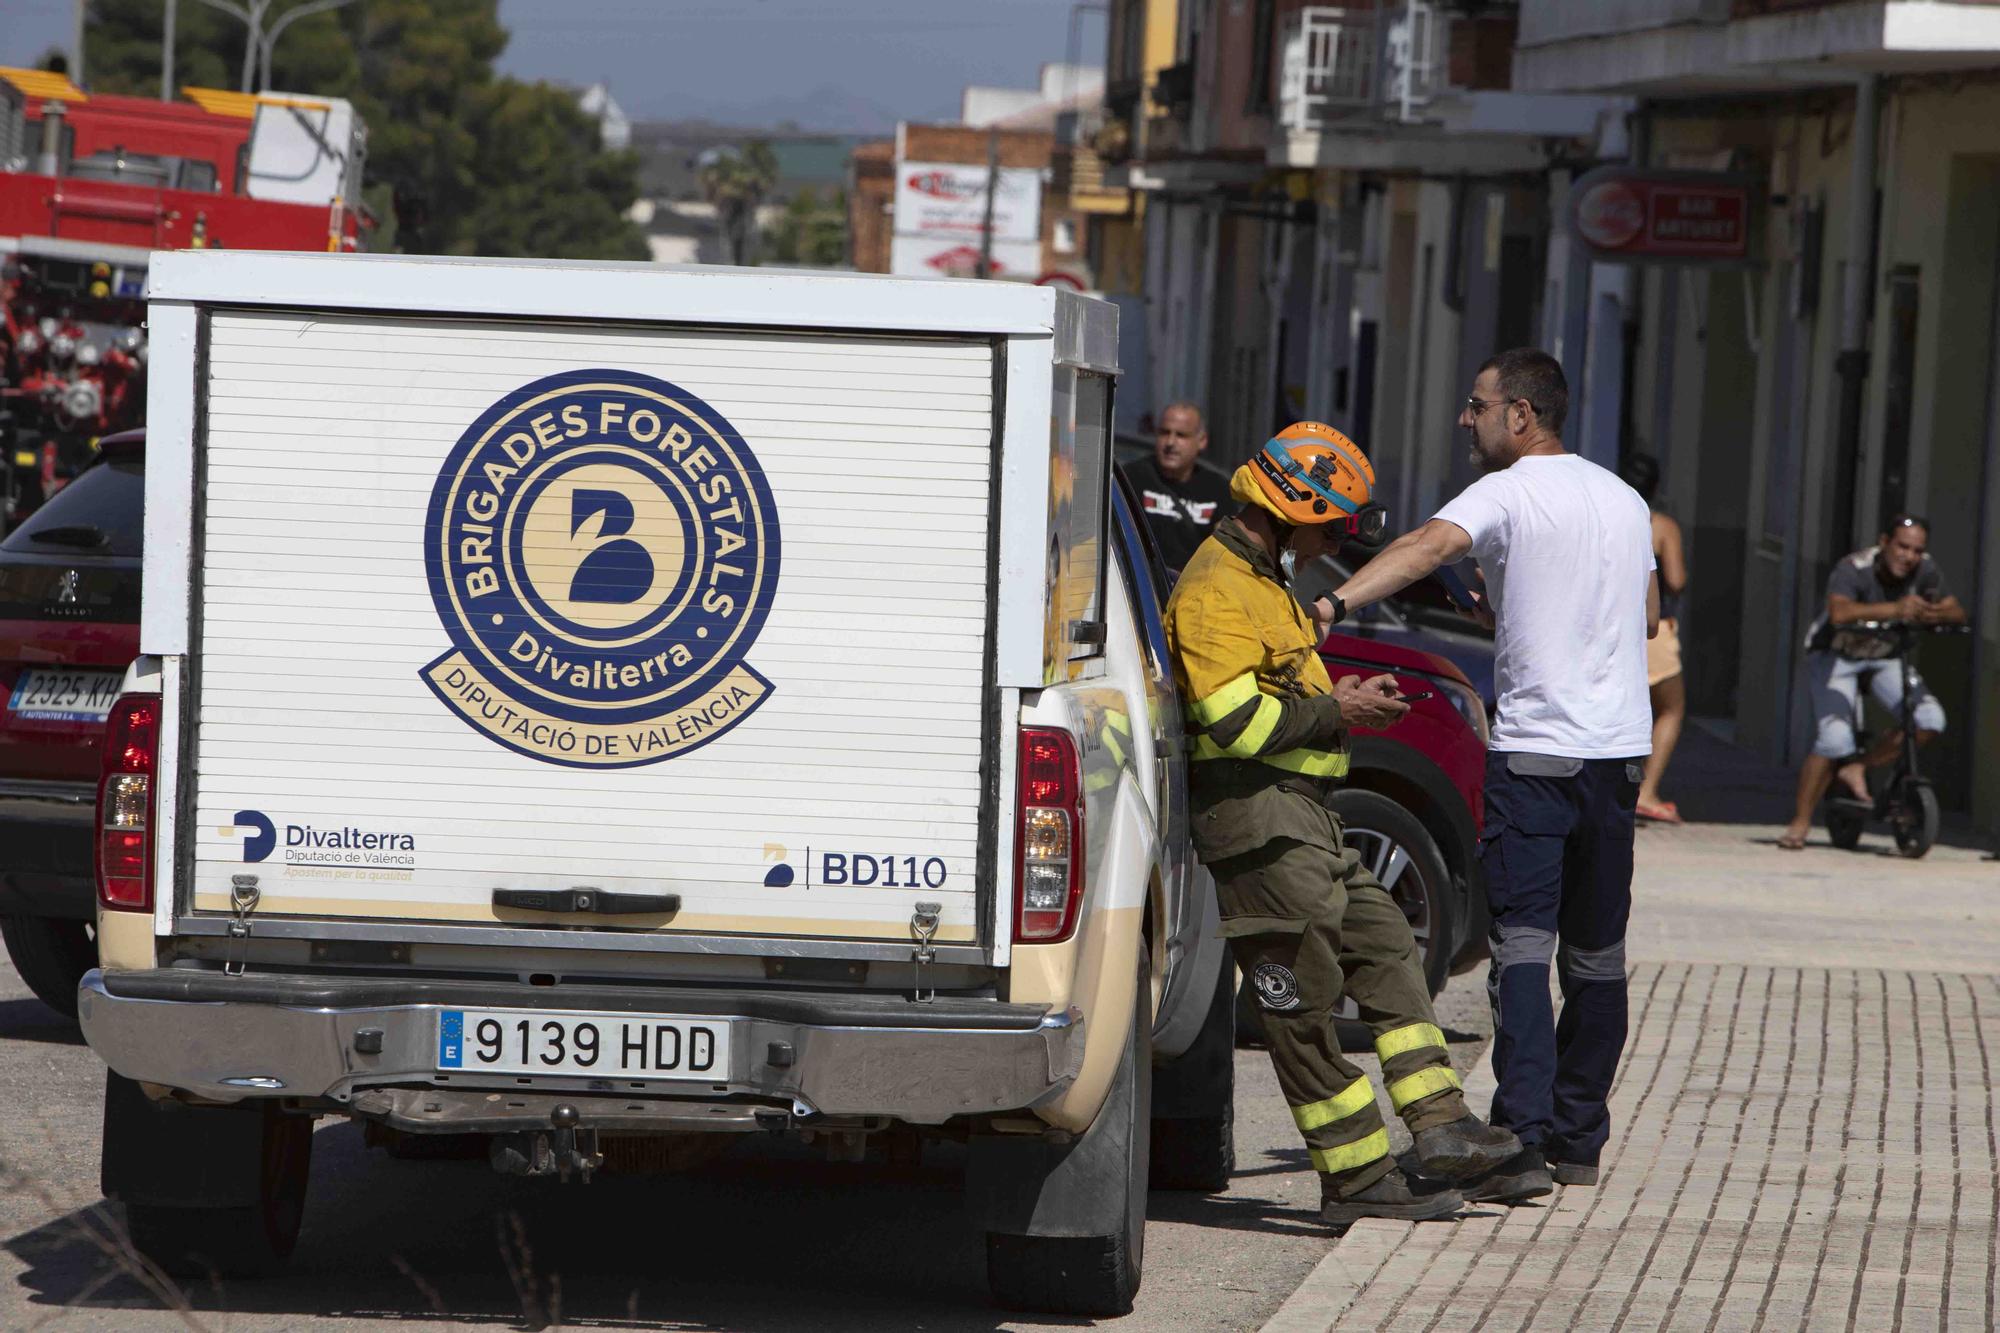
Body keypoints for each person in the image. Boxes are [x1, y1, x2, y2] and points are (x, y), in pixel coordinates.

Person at [1164, 420, 1520, 1226]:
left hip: (1306, 820)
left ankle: (1439, 1130)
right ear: (1293, 510)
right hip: (1257, 824)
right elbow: (1235, 724)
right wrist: (1341, 708)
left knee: (1389, 944)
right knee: (1305, 1003)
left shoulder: (1265, 580)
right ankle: (1355, 1177)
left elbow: (1282, 695)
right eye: (1330, 525)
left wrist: (1342, 709)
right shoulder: (1217, 587)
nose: (1333, 543)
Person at [1323, 349, 1657, 1205]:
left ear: (1521, 416)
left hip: (1537, 756)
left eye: (1476, 406)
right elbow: (1646, 614)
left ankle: (1521, 1136)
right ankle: (1579, 1140)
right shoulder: (1623, 499)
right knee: (1598, 955)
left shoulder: (1504, 492)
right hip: (1618, 757)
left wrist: (1331, 604)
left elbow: (1427, 544)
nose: (1464, 421)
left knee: (1520, 950)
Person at [1777, 515, 1965, 850]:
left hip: (1886, 657)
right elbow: (1839, 613)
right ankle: (1800, 820)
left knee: (1929, 719)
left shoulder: (1927, 570)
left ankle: (1858, 768)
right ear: (1884, 542)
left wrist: (1932, 614)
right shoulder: (1854, 568)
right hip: (1834, 655)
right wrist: (1896, 609)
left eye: (1916, 550)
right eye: (1902, 547)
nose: (1908, 556)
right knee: (1835, 740)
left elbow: (1956, 610)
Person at [1619, 454, 1687, 823]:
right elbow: (1675, 581)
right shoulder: (1660, 525)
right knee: (1671, 709)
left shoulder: (1608, 516)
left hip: (1612, 627)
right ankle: (1648, 790)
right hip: (1654, 629)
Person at [1126, 401, 1233, 573]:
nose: (1170, 442)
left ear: (1202, 441)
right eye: (1164, 432)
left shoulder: (1218, 489)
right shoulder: (1131, 477)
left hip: (1192, 587)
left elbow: (1226, 552)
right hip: (1141, 586)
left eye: (1181, 435)